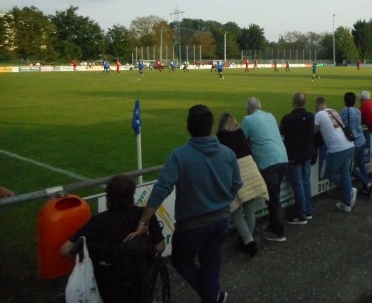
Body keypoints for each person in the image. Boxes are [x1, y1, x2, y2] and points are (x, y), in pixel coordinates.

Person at [126, 105, 241, 303]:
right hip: (220, 221)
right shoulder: (227, 153)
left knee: (180, 260)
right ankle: (212, 295)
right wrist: (223, 203)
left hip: (192, 226)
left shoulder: (180, 155)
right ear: (211, 126)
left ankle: (211, 296)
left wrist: (144, 220)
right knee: (211, 269)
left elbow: (161, 190)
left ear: (188, 127)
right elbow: (237, 184)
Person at [60, 175, 166, 303]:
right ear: (132, 194)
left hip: (105, 286)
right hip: (137, 284)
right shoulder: (143, 216)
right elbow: (160, 247)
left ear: (108, 196)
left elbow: (65, 250)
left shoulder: (96, 221)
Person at [216, 113, 268, 257]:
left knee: (236, 210)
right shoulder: (240, 133)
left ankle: (248, 241)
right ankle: (247, 240)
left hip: (237, 173)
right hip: (251, 170)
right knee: (249, 209)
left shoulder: (220, 136)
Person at [242, 97, 289, 242]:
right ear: (260, 106)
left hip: (269, 162)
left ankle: (279, 232)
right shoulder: (270, 116)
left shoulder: (247, 120)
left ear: (248, 109)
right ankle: (275, 224)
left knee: (273, 198)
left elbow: (242, 139)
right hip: (282, 158)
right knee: (275, 195)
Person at [314, 97, 357, 213]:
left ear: (318, 105)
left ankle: (350, 191)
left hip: (337, 149)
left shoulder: (319, 114)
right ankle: (347, 203)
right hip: (349, 145)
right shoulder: (333, 111)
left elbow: (314, 130)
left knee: (328, 173)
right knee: (345, 173)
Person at [279, 92, 315, 224]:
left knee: (299, 184)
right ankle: (308, 210)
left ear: (293, 102)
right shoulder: (311, 116)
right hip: (306, 154)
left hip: (294, 155)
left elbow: (281, 133)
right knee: (305, 182)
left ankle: (301, 215)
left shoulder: (287, 119)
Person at [340, 92, 372, 199]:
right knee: (361, 164)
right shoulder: (358, 111)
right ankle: (366, 187)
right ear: (355, 101)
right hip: (361, 140)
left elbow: (342, 125)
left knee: (348, 167)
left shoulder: (344, 111)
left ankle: (368, 184)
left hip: (353, 143)